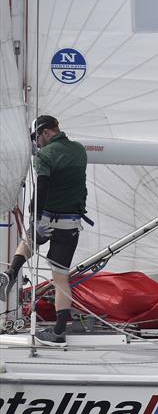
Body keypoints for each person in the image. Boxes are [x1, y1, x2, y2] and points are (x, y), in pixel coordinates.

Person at [0, 115, 88, 346]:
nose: (36, 143)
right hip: (71, 222)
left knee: (29, 239)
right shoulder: (80, 150)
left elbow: (43, 185)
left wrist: (35, 215)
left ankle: (11, 272)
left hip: (47, 218)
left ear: (47, 133)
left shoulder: (45, 155)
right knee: (61, 279)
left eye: (37, 138)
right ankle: (58, 333)